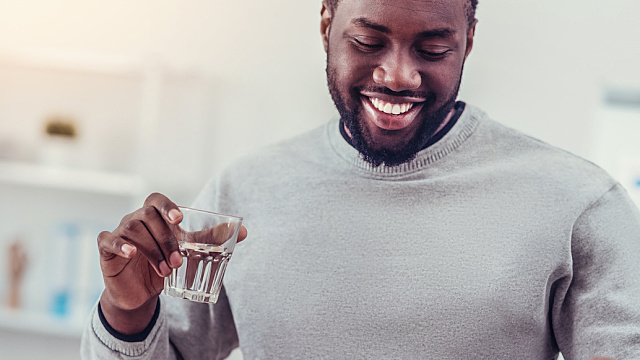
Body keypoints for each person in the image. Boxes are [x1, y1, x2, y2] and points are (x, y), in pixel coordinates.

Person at [81, 0, 640, 358]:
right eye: (368, 42)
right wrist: (127, 311)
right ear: (326, 24)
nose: (397, 74)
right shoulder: (244, 192)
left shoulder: (576, 202)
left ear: (469, 38)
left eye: (434, 48)